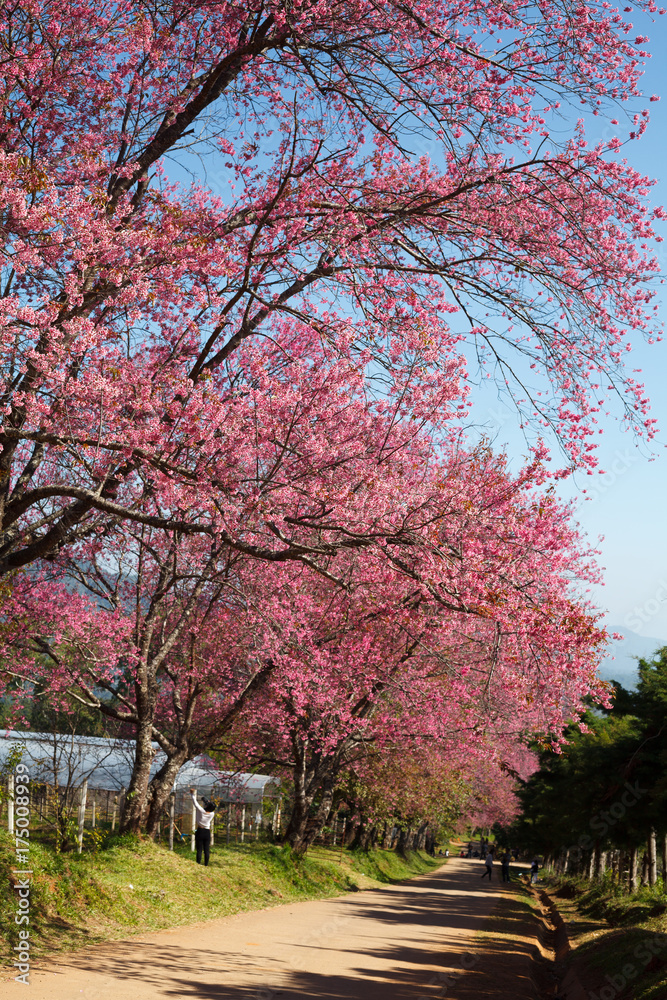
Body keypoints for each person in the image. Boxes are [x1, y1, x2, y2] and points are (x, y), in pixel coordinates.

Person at [190, 787, 216, 866]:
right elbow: (209, 807)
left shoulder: (201, 811)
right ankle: (206, 864)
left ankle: (198, 863)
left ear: (207, 806)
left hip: (200, 831)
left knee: (199, 849)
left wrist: (192, 794)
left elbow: (195, 802)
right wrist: (206, 801)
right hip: (207, 832)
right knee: (206, 850)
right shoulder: (212, 814)